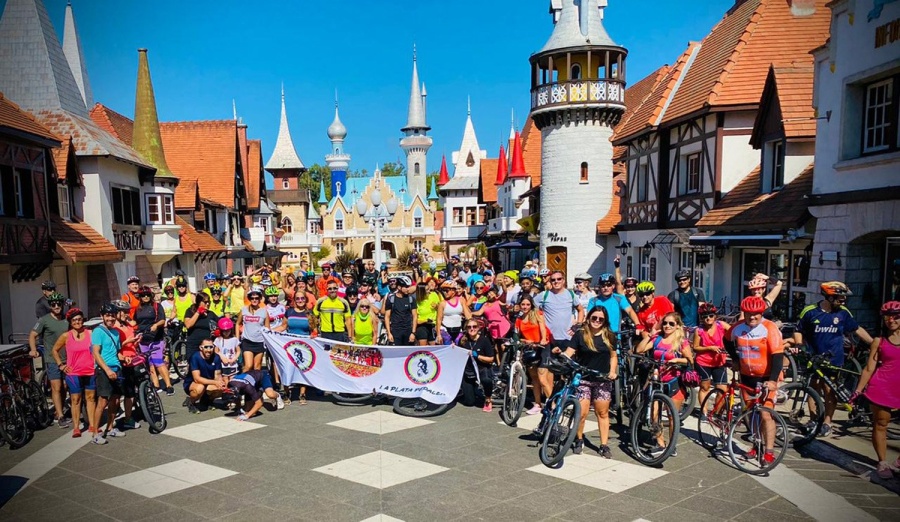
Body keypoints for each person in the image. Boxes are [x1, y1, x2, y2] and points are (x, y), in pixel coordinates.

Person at [794, 281, 874, 437]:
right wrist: (799, 344)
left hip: (834, 359)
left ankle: (827, 422)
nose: (843, 301)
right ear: (829, 297)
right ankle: (814, 419)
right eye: (840, 297)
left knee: (830, 391)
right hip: (814, 357)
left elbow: (857, 329)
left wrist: (873, 343)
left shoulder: (843, 312)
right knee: (813, 388)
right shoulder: (810, 311)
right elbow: (798, 330)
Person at [724, 296, 784, 465]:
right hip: (747, 377)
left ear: (762, 312)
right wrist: (735, 359)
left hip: (766, 377)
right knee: (752, 414)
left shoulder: (769, 328)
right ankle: (756, 445)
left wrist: (773, 380)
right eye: (749, 314)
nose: (752, 317)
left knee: (765, 414)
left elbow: (778, 356)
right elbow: (726, 340)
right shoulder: (738, 327)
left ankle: (769, 451)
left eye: (756, 314)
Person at [557, 306, 617, 458]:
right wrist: (563, 356)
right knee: (581, 413)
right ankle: (579, 439)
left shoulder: (609, 336)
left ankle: (604, 445)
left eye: (601, 319)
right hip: (583, 378)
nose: (597, 321)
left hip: (602, 379)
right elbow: (570, 352)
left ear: (605, 321)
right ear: (589, 318)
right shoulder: (580, 335)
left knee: (602, 413)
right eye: (594, 318)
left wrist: (612, 372)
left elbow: (613, 356)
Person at [853, 301, 900, 479]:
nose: (892, 320)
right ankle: (882, 461)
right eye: (888, 317)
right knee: (881, 424)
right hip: (882, 387)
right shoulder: (879, 341)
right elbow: (869, 368)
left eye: (896, 316)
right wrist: (857, 391)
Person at [636, 312, 693, 455]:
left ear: (677, 326)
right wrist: (651, 334)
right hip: (657, 381)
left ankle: (672, 445)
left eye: (671, 324)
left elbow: (690, 360)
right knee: (654, 413)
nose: (667, 326)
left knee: (672, 415)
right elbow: (639, 350)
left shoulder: (681, 342)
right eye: (665, 323)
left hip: (674, 381)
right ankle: (660, 443)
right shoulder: (657, 339)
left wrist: (677, 360)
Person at [91, 303, 139, 444]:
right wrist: (107, 370)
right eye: (107, 315)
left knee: (116, 400)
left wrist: (125, 358)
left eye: (112, 315)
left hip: (116, 369)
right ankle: (95, 433)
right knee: (102, 402)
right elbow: (96, 353)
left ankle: (110, 428)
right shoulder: (98, 332)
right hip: (104, 370)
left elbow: (117, 352)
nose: (110, 318)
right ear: (102, 316)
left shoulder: (116, 333)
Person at [50, 308, 95, 438]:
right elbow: (54, 350)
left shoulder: (90, 333)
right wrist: (61, 365)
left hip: (90, 371)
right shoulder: (66, 336)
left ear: (83, 320)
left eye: (80, 319)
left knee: (91, 398)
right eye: (74, 320)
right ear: (70, 322)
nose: (77, 322)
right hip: (73, 373)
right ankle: (76, 428)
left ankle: (92, 424)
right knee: (75, 399)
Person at [29, 291, 70, 428]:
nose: (57, 306)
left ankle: (61, 409)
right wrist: (33, 349)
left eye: (59, 303)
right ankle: (60, 416)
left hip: (68, 358)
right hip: (52, 358)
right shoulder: (44, 320)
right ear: (50, 305)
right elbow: (32, 335)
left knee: (65, 386)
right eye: (54, 304)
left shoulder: (67, 319)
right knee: (56, 387)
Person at [535, 270, 585, 361]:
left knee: (567, 368)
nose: (556, 281)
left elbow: (580, 310)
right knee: (550, 368)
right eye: (553, 280)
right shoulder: (544, 295)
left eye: (559, 279)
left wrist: (577, 325)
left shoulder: (571, 294)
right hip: (550, 338)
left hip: (567, 337)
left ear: (563, 280)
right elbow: (531, 308)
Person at [133, 286, 173, 395]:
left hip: (156, 338)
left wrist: (156, 325)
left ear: (151, 296)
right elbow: (135, 322)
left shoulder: (157, 306)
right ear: (140, 297)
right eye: (143, 295)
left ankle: (169, 385)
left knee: (158, 361)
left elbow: (162, 320)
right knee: (149, 363)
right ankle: (156, 385)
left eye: (147, 295)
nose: (145, 297)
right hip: (143, 339)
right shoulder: (138, 308)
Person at [693, 303, 730, 418]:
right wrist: (710, 348)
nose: (708, 318)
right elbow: (695, 347)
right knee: (705, 387)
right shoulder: (699, 331)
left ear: (715, 316)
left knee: (722, 389)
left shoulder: (721, 325)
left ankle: (716, 413)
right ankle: (703, 411)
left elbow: (734, 333)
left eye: (710, 315)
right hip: (703, 362)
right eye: (704, 316)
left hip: (719, 362)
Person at [517, 295, 551, 415]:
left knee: (542, 378)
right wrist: (525, 341)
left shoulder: (537, 314)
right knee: (534, 378)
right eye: (523, 304)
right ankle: (537, 404)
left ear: (531, 305)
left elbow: (542, 327)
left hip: (542, 347)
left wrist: (542, 339)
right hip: (530, 349)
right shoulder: (519, 319)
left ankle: (552, 404)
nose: (525, 307)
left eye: (527, 304)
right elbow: (518, 337)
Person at [113, 300, 141, 431]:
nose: (126, 314)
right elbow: (113, 347)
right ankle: (112, 422)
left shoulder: (128, 325)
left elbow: (131, 344)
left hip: (133, 358)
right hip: (121, 361)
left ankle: (128, 417)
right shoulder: (114, 328)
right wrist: (126, 342)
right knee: (118, 394)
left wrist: (135, 342)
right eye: (123, 311)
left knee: (131, 392)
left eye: (127, 311)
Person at [458, 320, 495, 411]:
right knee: (469, 402)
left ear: (478, 328)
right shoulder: (463, 340)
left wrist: (477, 356)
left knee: (486, 380)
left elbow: (491, 359)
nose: (472, 329)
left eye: (474, 326)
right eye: (469, 327)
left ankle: (488, 399)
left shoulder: (484, 340)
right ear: (466, 329)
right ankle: (470, 390)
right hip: (468, 370)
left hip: (482, 367)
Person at [183, 340, 226, 413]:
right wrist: (215, 382)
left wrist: (220, 384)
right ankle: (191, 402)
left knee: (221, 388)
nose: (209, 350)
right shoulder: (195, 357)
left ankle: (206, 401)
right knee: (199, 388)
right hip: (193, 383)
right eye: (206, 347)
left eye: (211, 347)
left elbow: (218, 375)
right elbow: (197, 379)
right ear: (201, 347)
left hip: (209, 382)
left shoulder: (216, 357)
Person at [471, 286, 510, 361]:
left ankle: (505, 362)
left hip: (502, 325)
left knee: (502, 345)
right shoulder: (485, 304)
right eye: (488, 294)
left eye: (492, 293)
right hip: (492, 326)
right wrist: (469, 313)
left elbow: (505, 291)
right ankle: (499, 365)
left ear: (496, 295)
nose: (490, 295)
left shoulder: (499, 301)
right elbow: (479, 313)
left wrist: (502, 283)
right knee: (496, 346)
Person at [238, 289, 269, 371]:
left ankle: (255, 384)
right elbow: (238, 323)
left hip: (259, 342)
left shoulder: (264, 312)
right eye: (252, 298)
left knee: (257, 366)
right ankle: (242, 382)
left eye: (256, 298)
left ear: (259, 299)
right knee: (248, 366)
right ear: (249, 299)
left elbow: (267, 328)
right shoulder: (244, 310)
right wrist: (237, 339)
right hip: (247, 341)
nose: (254, 300)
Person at [384, 275, 417, 346]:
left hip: (408, 331)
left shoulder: (411, 299)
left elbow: (415, 316)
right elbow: (387, 317)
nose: (408, 289)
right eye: (406, 287)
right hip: (395, 331)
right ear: (399, 287)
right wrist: (389, 333)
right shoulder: (391, 299)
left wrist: (413, 333)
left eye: (409, 286)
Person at [184, 292, 216, 361]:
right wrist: (198, 312)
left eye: (209, 302)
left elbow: (219, 325)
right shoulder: (190, 311)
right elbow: (188, 325)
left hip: (207, 346)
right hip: (193, 344)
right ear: (199, 302)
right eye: (205, 302)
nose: (208, 304)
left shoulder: (211, 314)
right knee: (194, 365)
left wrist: (217, 332)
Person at [415, 278, 441, 346]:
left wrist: (437, 307)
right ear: (422, 292)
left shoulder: (434, 295)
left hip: (433, 326)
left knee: (434, 347)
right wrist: (426, 320)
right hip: (422, 326)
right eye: (427, 290)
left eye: (429, 289)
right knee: (423, 347)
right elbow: (415, 320)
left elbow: (441, 309)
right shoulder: (417, 302)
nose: (429, 291)